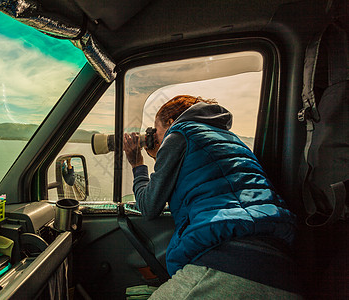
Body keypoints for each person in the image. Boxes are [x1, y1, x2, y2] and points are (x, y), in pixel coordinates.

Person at [123, 95, 302, 299]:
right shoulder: (231, 139)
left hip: (228, 264)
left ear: (171, 122)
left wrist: (137, 163)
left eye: (156, 130)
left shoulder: (179, 134)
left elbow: (148, 206)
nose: (155, 136)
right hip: (283, 266)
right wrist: (159, 155)